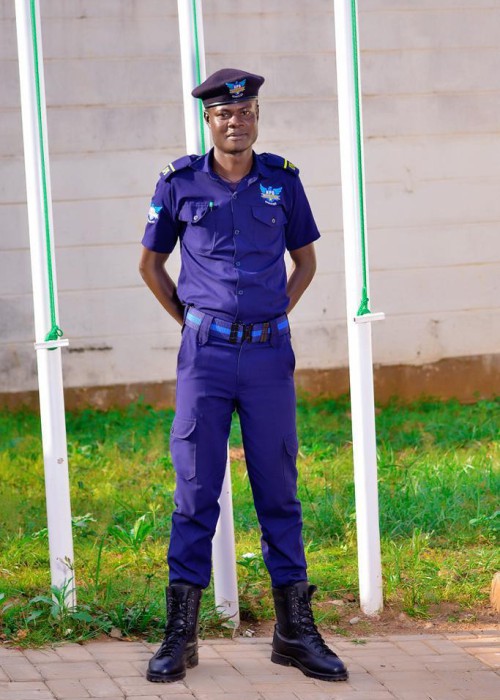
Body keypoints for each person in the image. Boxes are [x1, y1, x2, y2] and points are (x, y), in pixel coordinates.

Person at [139, 68, 348, 684]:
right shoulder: (180, 183)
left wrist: (274, 313)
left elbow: (305, 262)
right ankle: (181, 634)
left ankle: (294, 632)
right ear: (209, 120)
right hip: (205, 358)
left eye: (247, 111)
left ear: (257, 116)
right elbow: (150, 265)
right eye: (226, 114)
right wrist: (191, 321)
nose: (238, 121)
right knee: (196, 488)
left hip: (267, 359)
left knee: (278, 490)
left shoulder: (282, 182)